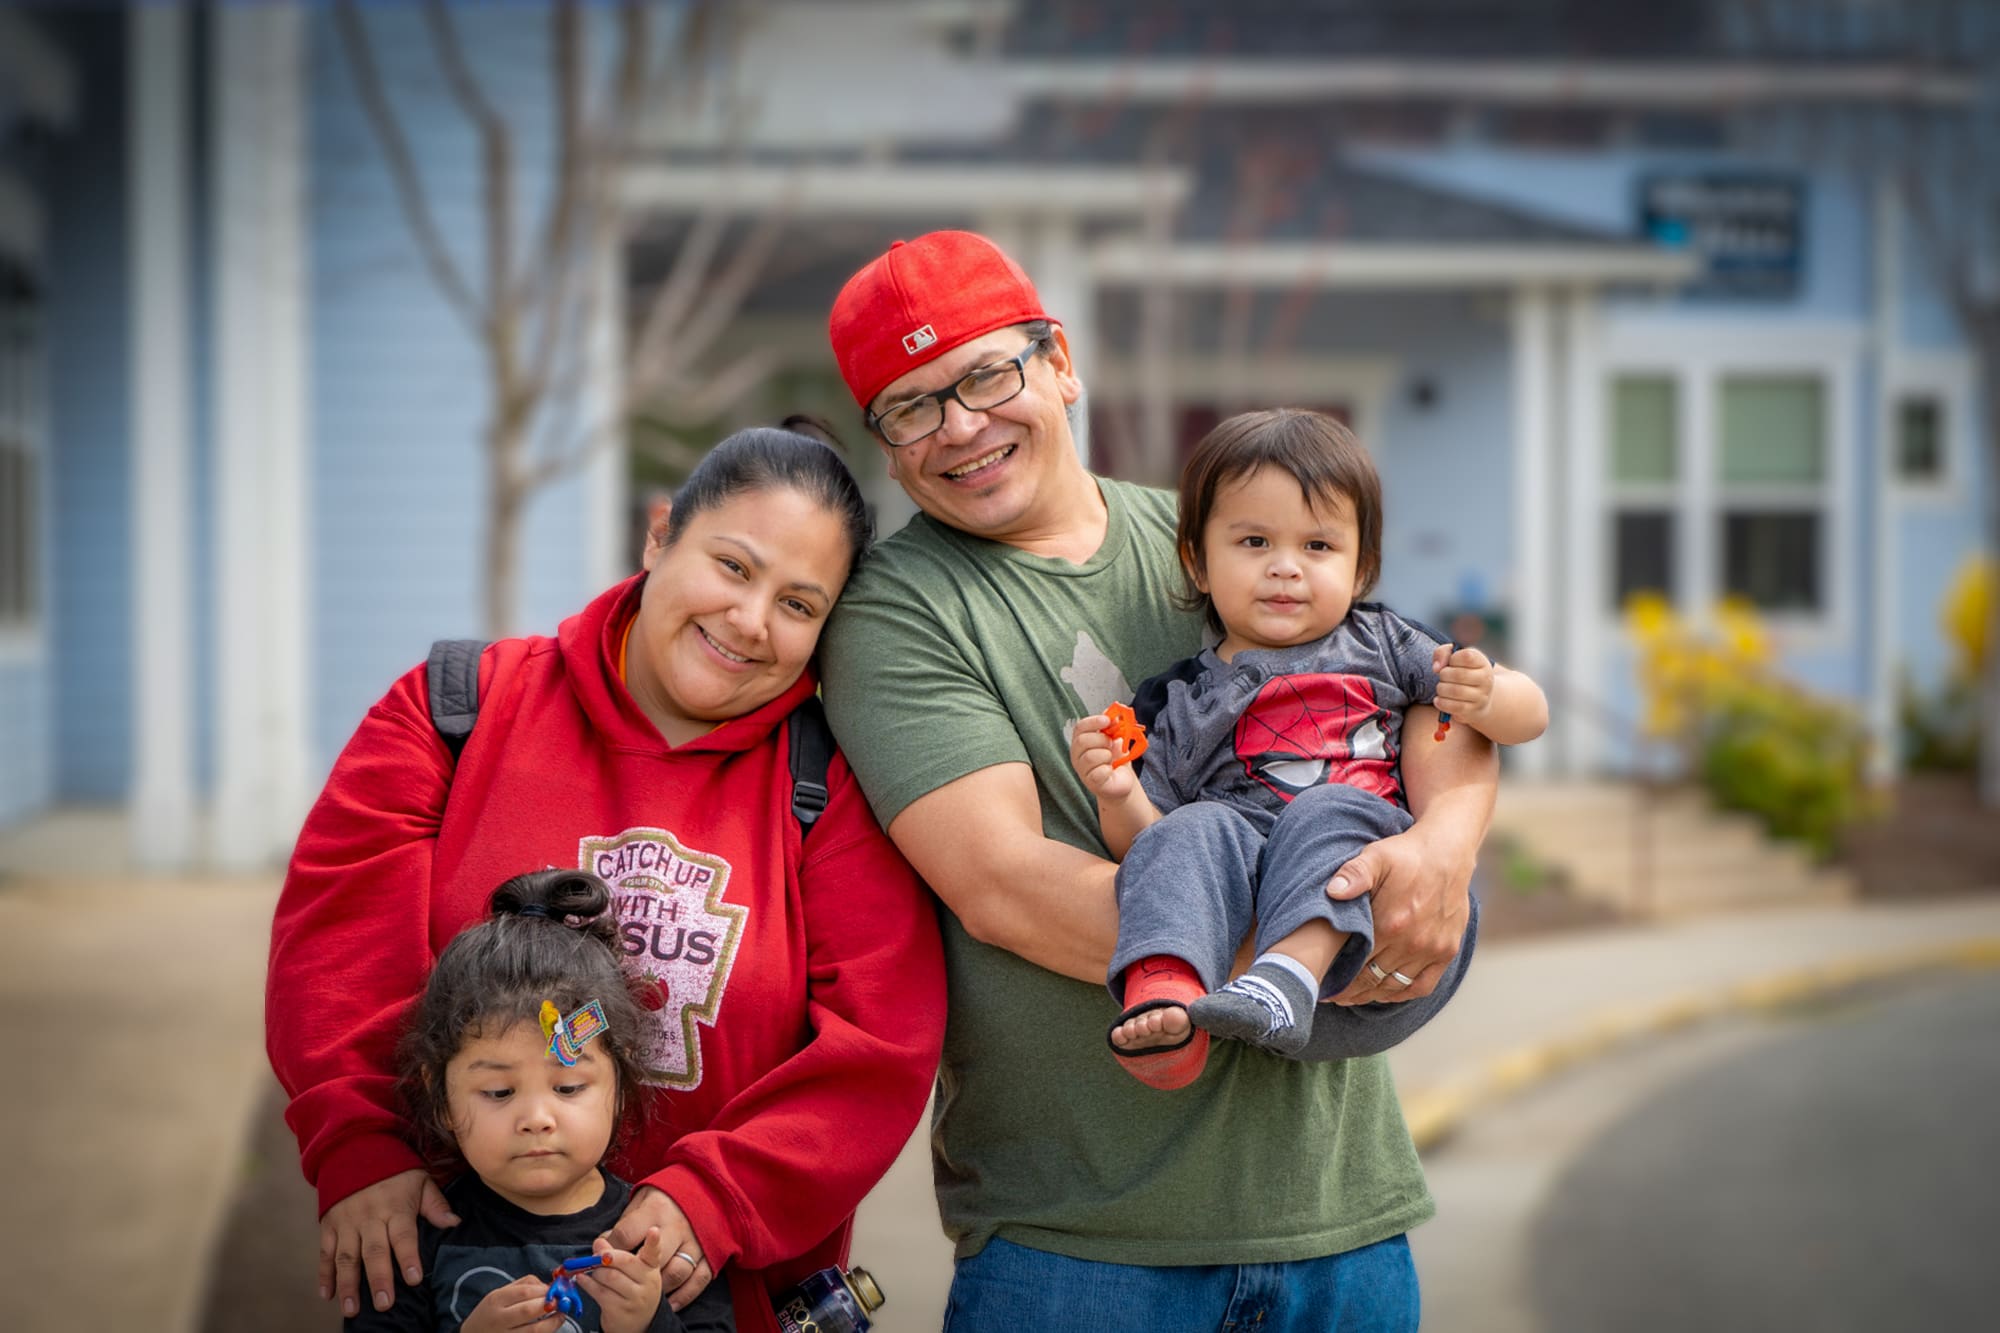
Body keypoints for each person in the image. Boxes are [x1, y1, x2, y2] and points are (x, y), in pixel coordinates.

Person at [817, 230, 1501, 1331]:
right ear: (886, 443)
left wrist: (1441, 853)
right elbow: (1004, 885)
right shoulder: (897, 614)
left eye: (986, 374)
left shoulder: (1222, 531)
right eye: (909, 406)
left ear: (1061, 363)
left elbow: (1420, 691)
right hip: (1083, 1244)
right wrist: (1321, 951)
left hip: (1341, 1213)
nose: (958, 426)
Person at [267, 426, 947, 1333]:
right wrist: (361, 1142)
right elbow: (335, 952)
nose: (751, 620)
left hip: (714, 1297)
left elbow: (881, 1044)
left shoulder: (831, 784)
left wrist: (719, 1194)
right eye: (733, 566)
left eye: (798, 602)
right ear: (661, 535)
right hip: (460, 1287)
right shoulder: (451, 710)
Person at [1073, 408, 1547, 1089]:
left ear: (1362, 570)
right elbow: (1145, 847)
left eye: (1318, 547)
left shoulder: (1386, 644)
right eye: (1256, 541)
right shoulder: (1175, 702)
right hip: (1240, 960)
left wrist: (1490, 694)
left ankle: (1289, 975)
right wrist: (1116, 794)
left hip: (1386, 942)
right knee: (1193, 829)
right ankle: (1166, 996)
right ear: (1197, 562)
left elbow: (1528, 719)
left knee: (1329, 809)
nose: (1286, 568)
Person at [352, 868, 735, 1333]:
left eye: (569, 1088)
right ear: (441, 1098)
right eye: (498, 1092)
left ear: (619, 1083)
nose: (536, 1119)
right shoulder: (413, 1243)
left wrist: (647, 1323)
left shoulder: (654, 1243)